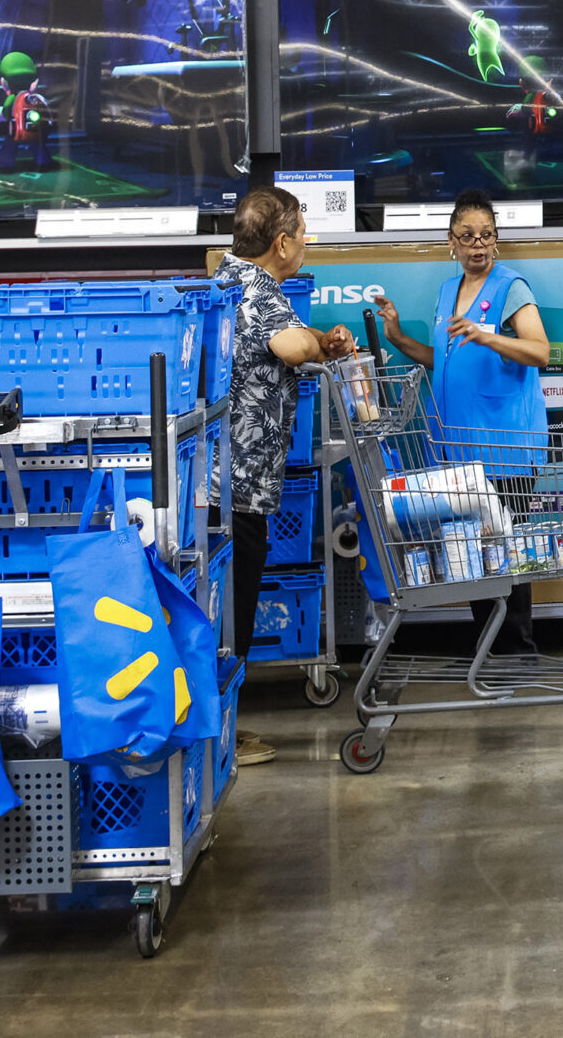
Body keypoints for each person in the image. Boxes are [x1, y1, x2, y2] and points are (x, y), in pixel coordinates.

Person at [374, 188, 551, 649]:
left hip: (505, 448)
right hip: (457, 449)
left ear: (497, 240)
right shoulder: (447, 291)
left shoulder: (512, 287)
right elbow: (444, 360)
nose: (477, 244)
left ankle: (517, 654)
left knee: (503, 556)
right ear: (450, 241)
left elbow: (540, 351)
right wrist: (395, 335)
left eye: (486, 235)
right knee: (471, 553)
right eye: (467, 236)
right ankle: (489, 651)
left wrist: (488, 336)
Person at [215, 186, 353, 766]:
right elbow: (292, 344)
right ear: (281, 244)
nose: (304, 243)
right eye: (301, 233)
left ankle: (220, 726)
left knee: (220, 610)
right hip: (238, 489)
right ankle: (220, 738)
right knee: (234, 615)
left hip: (216, 480)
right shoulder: (259, 292)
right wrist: (328, 342)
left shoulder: (223, 276)